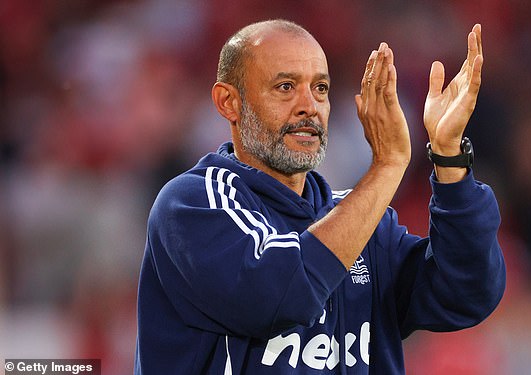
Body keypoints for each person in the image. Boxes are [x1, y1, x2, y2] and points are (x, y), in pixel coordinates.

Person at [134, 19, 505, 374]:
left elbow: (467, 294)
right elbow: (283, 294)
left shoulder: (365, 226)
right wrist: (388, 165)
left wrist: (448, 157)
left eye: (320, 88)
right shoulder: (193, 204)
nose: (308, 106)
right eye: (285, 87)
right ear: (229, 102)